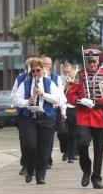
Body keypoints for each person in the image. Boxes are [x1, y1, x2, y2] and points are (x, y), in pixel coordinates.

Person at [66, 49, 103, 189]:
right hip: (84, 116)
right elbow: (70, 96)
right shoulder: (80, 75)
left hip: (101, 116)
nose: (92, 64)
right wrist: (80, 101)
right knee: (82, 144)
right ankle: (86, 170)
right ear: (86, 62)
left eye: (94, 61)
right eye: (89, 61)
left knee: (99, 149)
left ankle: (97, 178)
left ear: (98, 61)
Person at [12, 57, 64, 185]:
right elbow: (16, 100)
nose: (35, 74)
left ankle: (40, 175)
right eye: (33, 71)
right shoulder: (25, 83)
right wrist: (26, 102)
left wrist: (43, 94)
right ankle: (29, 170)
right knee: (30, 145)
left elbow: (57, 99)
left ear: (42, 70)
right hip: (28, 118)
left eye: (38, 71)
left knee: (44, 149)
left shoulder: (49, 83)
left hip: (46, 118)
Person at [42, 55, 66, 168]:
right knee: (46, 137)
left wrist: (63, 111)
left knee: (57, 134)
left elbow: (61, 95)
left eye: (48, 64)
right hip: (41, 111)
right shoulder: (36, 77)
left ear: (51, 66)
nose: (46, 66)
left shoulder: (56, 78)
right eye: (44, 64)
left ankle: (48, 157)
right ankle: (47, 159)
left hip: (54, 110)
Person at [12, 58, 32, 176]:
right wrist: (23, 102)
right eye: (30, 66)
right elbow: (14, 96)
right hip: (24, 114)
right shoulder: (20, 78)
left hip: (40, 114)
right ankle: (25, 164)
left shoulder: (45, 78)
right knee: (25, 141)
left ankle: (36, 164)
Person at [61, 62, 78, 163]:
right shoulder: (60, 79)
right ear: (63, 71)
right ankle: (65, 150)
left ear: (72, 71)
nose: (67, 74)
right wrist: (66, 85)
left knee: (73, 133)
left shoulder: (76, 80)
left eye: (69, 72)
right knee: (62, 132)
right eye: (65, 72)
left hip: (73, 108)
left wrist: (73, 83)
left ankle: (71, 155)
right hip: (63, 109)